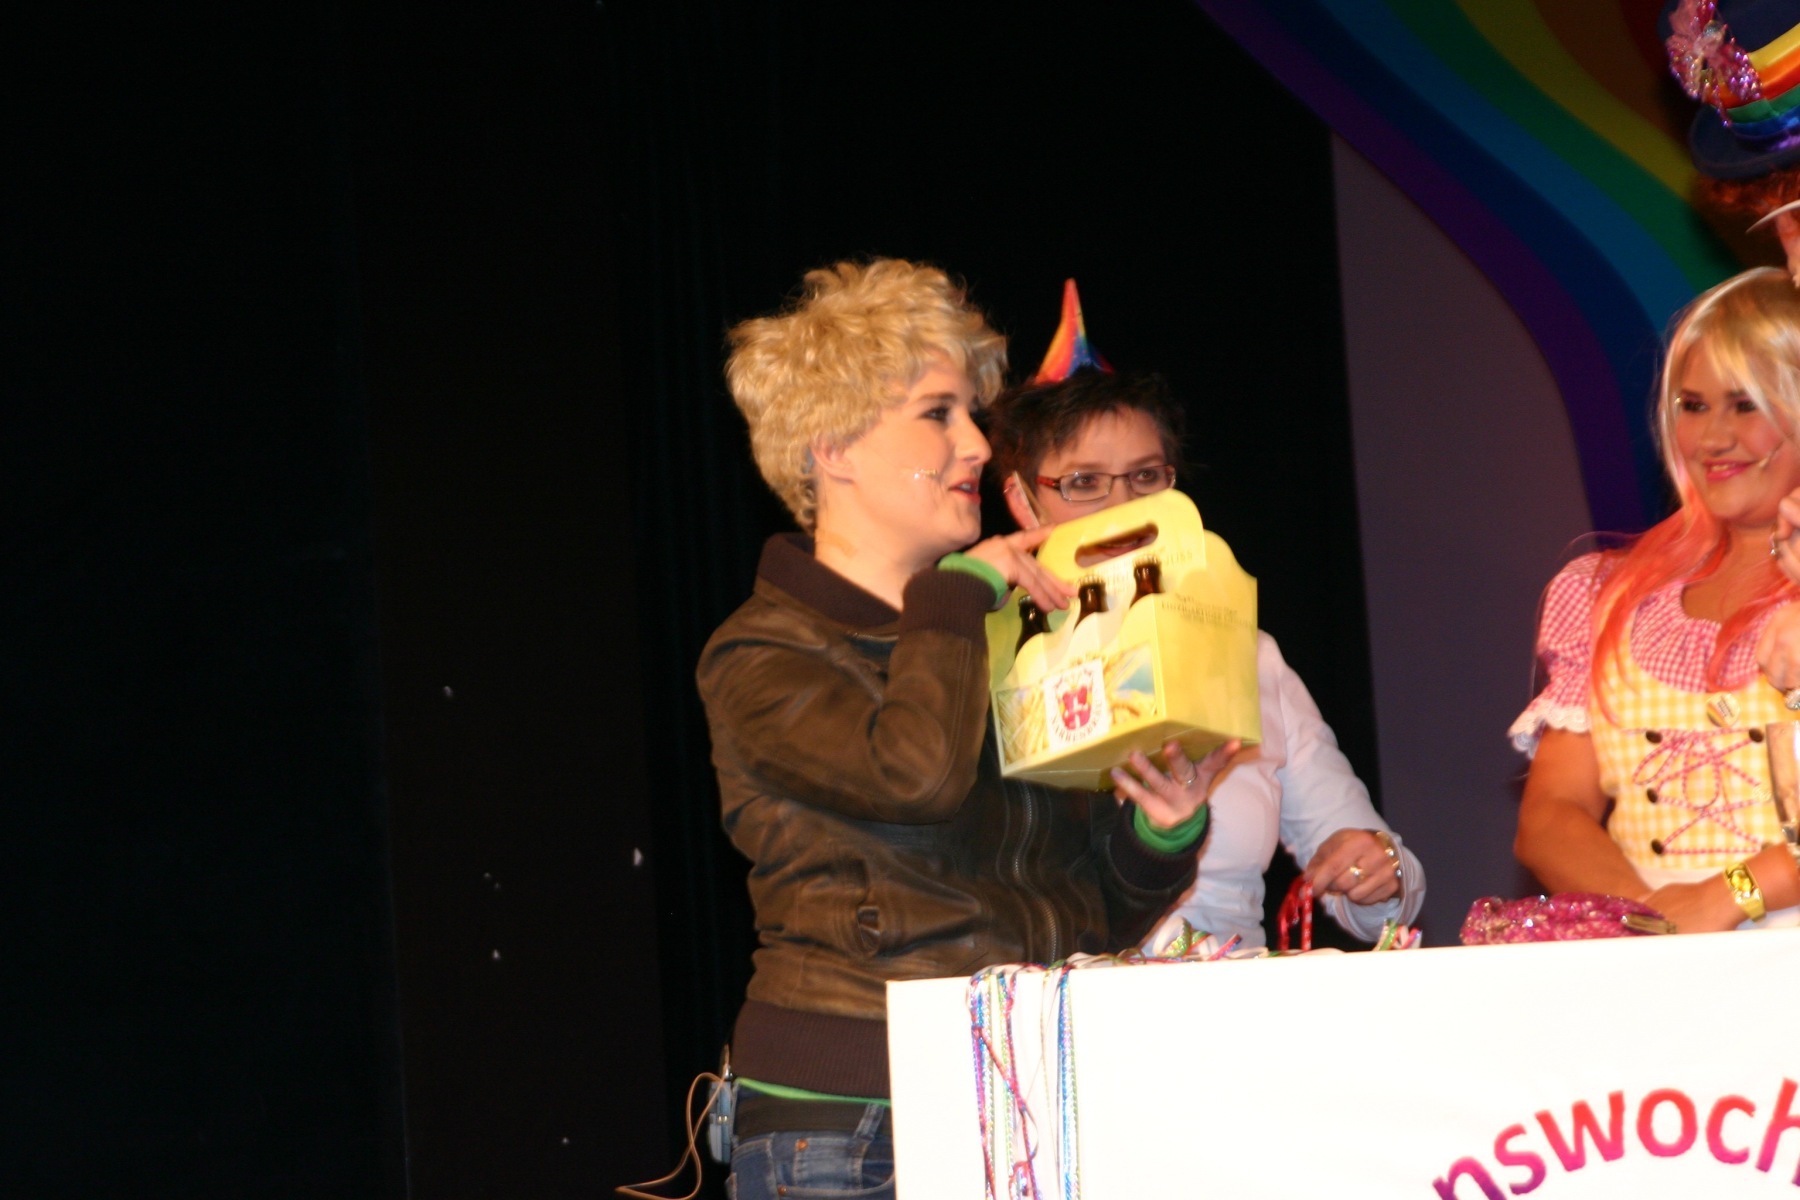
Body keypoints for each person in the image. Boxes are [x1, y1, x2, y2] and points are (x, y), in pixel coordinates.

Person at [698, 259, 1235, 1199]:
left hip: (1028, 1096)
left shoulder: (999, 627)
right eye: (938, 414)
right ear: (833, 447)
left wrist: (1159, 834)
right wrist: (953, 600)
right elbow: (913, 777)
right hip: (854, 1125)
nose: (980, 446)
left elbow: (1081, 915)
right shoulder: (762, 651)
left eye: (971, 416)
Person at [982, 281, 1425, 950]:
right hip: (1058, 996)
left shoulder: (1243, 651)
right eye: (1084, 483)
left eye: (1145, 476)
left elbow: (1374, 876)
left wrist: (1377, 869)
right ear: (1022, 499)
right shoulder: (987, 653)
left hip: (1226, 994)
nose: (1123, 507)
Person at [1512, 267, 1800, 932]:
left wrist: (1729, 893)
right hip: (1659, 969)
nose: (1713, 438)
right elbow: (1551, 814)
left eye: (1745, 405)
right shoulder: (1606, 596)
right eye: (1693, 406)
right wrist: (1656, 920)